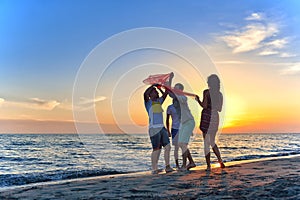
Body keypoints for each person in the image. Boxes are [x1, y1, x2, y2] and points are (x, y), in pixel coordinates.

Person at [144, 73, 174, 174]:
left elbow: (166, 92)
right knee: (156, 149)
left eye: (156, 91)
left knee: (168, 147)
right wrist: (153, 85)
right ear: (150, 94)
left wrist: (169, 79)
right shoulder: (148, 103)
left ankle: (168, 166)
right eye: (154, 92)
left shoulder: (159, 101)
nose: (156, 92)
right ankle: (154, 168)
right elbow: (145, 93)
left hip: (162, 128)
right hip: (153, 129)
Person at [195, 74, 225, 170]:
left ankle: (208, 166)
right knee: (212, 141)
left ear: (209, 83)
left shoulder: (206, 92)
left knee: (206, 143)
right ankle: (220, 161)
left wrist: (198, 100)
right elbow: (220, 109)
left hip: (207, 116)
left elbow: (204, 105)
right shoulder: (220, 95)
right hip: (215, 117)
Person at [171, 83, 196, 171]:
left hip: (189, 122)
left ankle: (184, 165)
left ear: (181, 90)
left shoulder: (183, 97)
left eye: (177, 89)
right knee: (181, 144)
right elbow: (171, 94)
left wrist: (169, 82)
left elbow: (174, 94)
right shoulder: (175, 99)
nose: (175, 90)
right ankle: (191, 162)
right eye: (175, 89)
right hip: (183, 123)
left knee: (182, 144)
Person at [166, 98, 181, 169]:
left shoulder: (181, 107)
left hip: (182, 129)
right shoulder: (170, 107)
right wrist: (168, 131)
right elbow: (167, 120)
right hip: (174, 129)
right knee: (176, 148)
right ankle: (177, 165)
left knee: (184, 146)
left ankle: (185, 163)